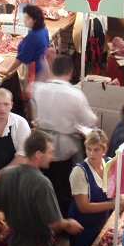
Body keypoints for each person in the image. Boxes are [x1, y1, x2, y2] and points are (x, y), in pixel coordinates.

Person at [35, 54, 98, 216]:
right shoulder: (75, 95)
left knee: (46, 183)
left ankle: (46, 217)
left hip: (42, 145)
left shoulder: (39, 90)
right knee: (64, 187)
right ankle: (63, 221)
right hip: (65, 148)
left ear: (52, 70)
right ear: (70, 72)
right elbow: (90, 119)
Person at [68, 129, 124, 246]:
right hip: (83, 226)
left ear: (104, 149)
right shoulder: (79, 172)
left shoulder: (108, 163)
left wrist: (122, 198)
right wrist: (112, 205)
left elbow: (116, 188)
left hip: (101, 223)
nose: (91, 154)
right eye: (89, 149)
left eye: (96, 150)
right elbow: (84, 206)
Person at [0, 4, 50, 108]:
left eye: (27, 18)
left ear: (34, 20)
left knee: (30, 95)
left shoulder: (33, 37)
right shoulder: (42, 29)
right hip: (42, 65)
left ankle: (31, 119)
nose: (25, 21)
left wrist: (7, 70)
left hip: (33, 69)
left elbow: (21, 59)